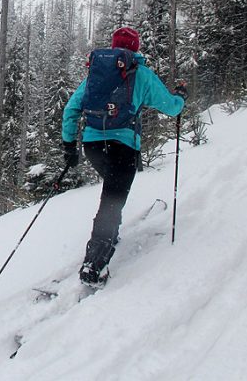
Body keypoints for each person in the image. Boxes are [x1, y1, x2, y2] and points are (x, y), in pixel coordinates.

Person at [61, 26, 187, 287]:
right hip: (124, 147)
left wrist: (69, 146)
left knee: (112, 193)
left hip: (93, 146)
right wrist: (181, 97)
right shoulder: (140, 74)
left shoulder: (95, 75)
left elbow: (72, 108)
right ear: (136, 48)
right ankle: (94, 264)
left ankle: (108, 235)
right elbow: (172, 107)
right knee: (112, 200)